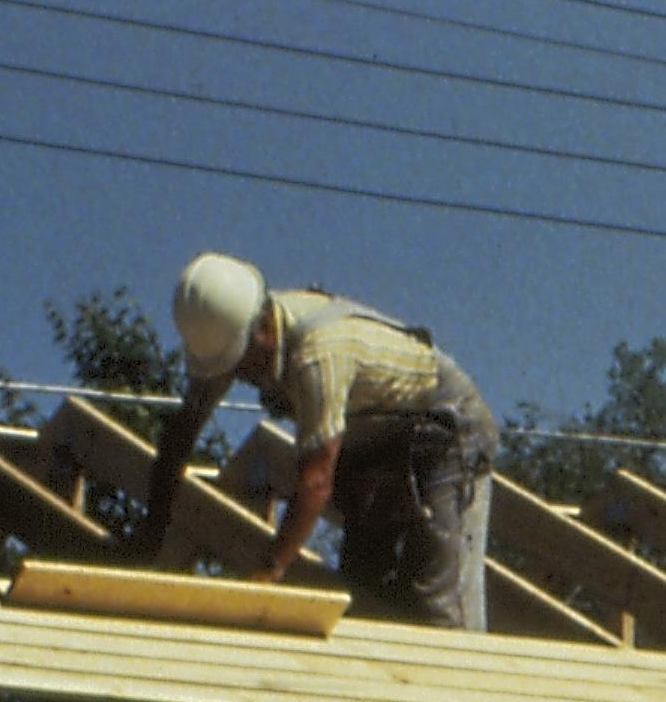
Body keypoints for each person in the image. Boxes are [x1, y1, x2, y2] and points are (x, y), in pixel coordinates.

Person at [140, 252, 501, 631]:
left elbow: (315, 480)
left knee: (437, 607)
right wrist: (150, 533)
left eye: (239, 365)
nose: (238, 378)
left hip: (446, 429)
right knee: (363, 592)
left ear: (261, 332)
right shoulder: (228, 335)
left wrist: (268, 573)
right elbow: (180, 436)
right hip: (377, 440)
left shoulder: (316, 355)